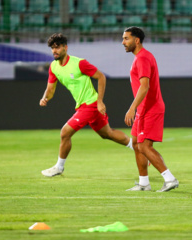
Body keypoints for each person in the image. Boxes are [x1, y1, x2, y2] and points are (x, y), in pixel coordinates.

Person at [40, 33, 133, 177]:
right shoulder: (53, 67)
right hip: (85, 106)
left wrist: (100, 101)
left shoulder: (79, 63)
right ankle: (138, 147)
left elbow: (101, 77)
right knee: (107, 134)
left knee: (65, 132)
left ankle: (59, 167)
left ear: (65, 47)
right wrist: (45, 97)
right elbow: (51, 89)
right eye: (52, 48)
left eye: (57, 47)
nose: (54, 51)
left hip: (90, 105)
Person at [122, 26, 179, 192]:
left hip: (150, 108)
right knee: (136, 143)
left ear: (137, 40)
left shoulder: (142, 58)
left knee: (145, 146)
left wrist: (132, 108)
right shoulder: (141, 57)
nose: (123, 42)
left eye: (126, 38)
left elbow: (144, 86)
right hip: (143, 109)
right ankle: (143, 183)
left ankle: (170, 179)